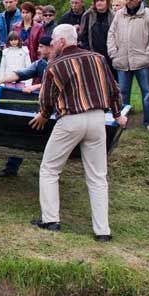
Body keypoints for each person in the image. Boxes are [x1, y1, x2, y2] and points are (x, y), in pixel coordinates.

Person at [29, 24, 126, 241]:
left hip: (70, 120)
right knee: (98, 177)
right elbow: (114, 89)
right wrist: (117, 114)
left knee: (49, 169)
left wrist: (43, 114)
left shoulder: (55, 65)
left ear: (62, 42)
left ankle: (51, 220)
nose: (51, 43)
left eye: (54, 40)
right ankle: (103, 231)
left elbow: (46, 97)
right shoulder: (98, 58)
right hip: (98, 119)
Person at [0, 35, 54, 177]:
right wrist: (0, 81)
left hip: (59, 109)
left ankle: (50, 174)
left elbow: (59, 83)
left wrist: (36, 86)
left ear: (50, 47)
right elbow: (20, 74)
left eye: (41, 47)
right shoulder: (40, 63)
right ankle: (12, 168)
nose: (38, 49)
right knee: (23, 131)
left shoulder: (62, 62)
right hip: (43, 106)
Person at [107, 0, 149, 130]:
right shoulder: (119, 15)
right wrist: (113, 53)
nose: (128, 1)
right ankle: (122, 122)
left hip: (143, 61)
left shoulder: (148, 15)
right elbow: (111, 34)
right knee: (122, 93)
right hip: (122, 60)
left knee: (147, 93)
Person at [78, 0, 116, 78]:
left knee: (111, 79)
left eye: (102, 0)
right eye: (97, 1)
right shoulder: (88, 15)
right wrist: (88, 50)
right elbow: (82, 35)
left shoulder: (113, 16)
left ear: (107, 2)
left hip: (109, 54)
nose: (99, 3)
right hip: (92, 53)